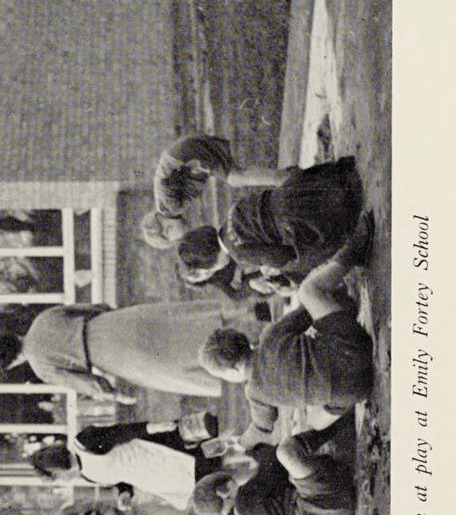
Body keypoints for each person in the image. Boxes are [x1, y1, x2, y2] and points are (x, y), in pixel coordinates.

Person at [199, 212, 375, 442]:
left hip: (355, 390)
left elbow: (261, 429)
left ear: (232, 372)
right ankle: (351, 252)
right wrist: (339, 301)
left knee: (314, 421)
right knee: (308, 291)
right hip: (354, 348)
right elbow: (306, 312)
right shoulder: (269, 336)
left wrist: (242, 441)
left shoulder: (255, 394)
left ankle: (355, 250)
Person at [0, 299, 230, 401]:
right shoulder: (43, 318)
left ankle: (234, 365)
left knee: (177, 367)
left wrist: (114, 395)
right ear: (12, 336)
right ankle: (251, 315)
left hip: (115, 357)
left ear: (13, 362)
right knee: (184, 323)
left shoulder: (42, 368)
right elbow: (96, 307)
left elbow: (92, 384)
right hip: (114, 323)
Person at [169, 155, 363, 280]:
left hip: (296, 219)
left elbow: (282, 255)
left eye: (210, 270)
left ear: (210, 260)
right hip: (293, 192)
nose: (216, 271)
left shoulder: (239, 252)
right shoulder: (230, 212)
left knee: (300, 264)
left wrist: (272, 267)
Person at [191, 427, 355, 515]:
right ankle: (341, 417)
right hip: (319, 507)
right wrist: (249, 449)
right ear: (223, 491)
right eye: (232, 481)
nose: (238, 483)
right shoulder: (243, 502)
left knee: (302, 472)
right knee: (287, 451)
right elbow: (273, 460)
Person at [29, 416, 223, 512]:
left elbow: (121, 432)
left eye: (58, 479)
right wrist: (124, 492)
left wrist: (154, 427)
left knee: (208, 458)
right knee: (206, 480)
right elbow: (118, 477)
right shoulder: (86, 475)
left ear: (57, 470)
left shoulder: (83, 443)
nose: (64, 482)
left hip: (154, 452)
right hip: (153, 477)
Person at [140, 134, 284, 249]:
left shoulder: (171, 206)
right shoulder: (167, 207)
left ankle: (284, 178)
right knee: (236, 174)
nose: (182, 235)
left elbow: (171, 178)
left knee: (236, 177)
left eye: (176, 237)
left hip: (187, 154)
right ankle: (283, 177)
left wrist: (200, 170)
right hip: (184, 151)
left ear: (166, 228)